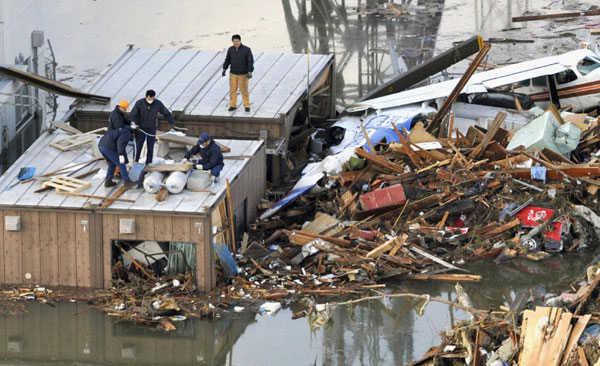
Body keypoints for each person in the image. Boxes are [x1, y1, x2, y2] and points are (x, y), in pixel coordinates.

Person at [130, 89, 175, 165]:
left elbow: (165, 112)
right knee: (139, 145)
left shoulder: (158, 103)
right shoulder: (139, 103)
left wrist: (171, 120)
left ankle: (149, 162)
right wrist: (134, 123)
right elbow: (134, 114)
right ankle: (136, 160)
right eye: (149, 98)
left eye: (152, 98)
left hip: (151, 128)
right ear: (146, 97)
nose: (150, 100)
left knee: (150, 146)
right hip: (141, 128)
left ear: (154, 97)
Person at [222, 34, 254, 112]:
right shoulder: (230, 50)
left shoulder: (246, 50)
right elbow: (227, 60)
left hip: (243, 74)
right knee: (233, 90)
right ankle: (232, 105)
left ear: (240, 41)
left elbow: (250, 61)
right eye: (234, 41)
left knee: (244, 90)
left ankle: (247, 105)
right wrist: (224, 69)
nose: (235, 43)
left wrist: (250, 71)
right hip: (233, 73)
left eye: (237, 41)